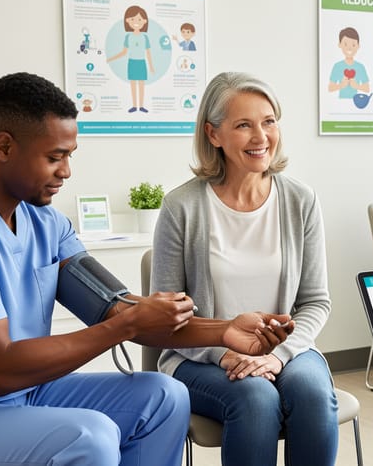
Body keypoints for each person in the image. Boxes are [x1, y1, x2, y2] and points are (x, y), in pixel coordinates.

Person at [0, 72, 295, 466]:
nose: (66, 172)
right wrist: (123, 327)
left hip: (27, 392)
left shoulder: (45, 224)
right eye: (54, 157)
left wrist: (224, 330)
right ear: (4, 146)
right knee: (89, 438)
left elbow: (120, 308)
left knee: (164, 396)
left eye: (69, 156)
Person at [151, 71, 339, 466]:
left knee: (312, 395)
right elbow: (165, 319)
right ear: (213, 134)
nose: (261, 137)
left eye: (269, 121)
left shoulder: (300, 200)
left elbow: (316, 301)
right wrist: (225, 354)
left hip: (288, 349)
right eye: (243, 125)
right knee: (256, 399)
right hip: (201, 357)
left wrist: (277, 355)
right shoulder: (181, 207)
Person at [107, 5, 155, 113]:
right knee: (133, 85)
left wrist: (151, 66)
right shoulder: (128, 37)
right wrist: (111, 58)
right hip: (132, 62)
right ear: (128, 21)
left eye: (139, 19)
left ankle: (141, 106)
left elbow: (148, 53)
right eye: (132, 19)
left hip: (141, 63)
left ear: (144, 21)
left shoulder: (144, 37)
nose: (136, 22)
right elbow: (124, 52)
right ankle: (134, 106)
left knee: (141, 85)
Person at [327, 26, 370, 99]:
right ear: (340, 45)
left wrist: (357, 86)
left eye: (353, 45)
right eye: (345, 44)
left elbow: (367, 88)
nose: (349, 48)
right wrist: (341, 85)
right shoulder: (337, 66)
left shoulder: (360, 67)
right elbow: (330, 88)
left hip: (355, 103)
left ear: (358, 46)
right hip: (341, 103)